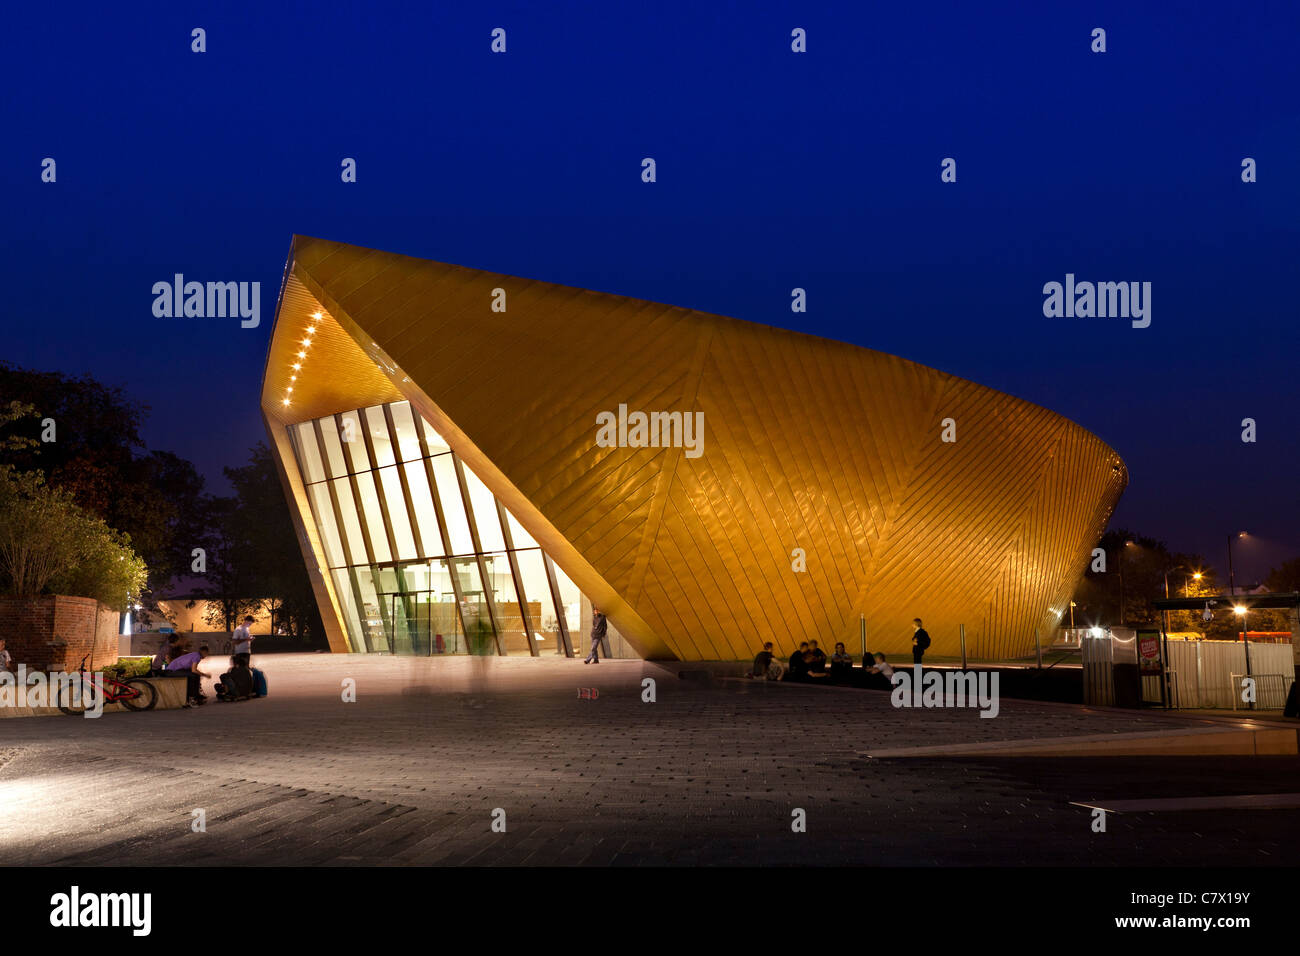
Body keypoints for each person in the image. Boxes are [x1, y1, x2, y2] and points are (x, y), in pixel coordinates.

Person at [166, 643, 212, 707]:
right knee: (192, 676)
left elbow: (193, 669)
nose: (207, 655)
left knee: (196, 675)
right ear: (204, 652)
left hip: (177, 670)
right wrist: (205, 675)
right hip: (171, 671)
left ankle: (196, 696)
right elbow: (194, 670)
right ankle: (191, 699)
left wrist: (200, 674)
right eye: (207, 653)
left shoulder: (196, 654)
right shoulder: (197, 656)